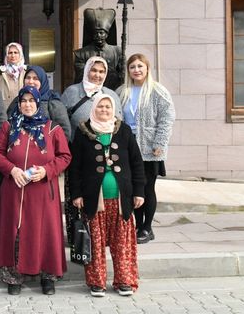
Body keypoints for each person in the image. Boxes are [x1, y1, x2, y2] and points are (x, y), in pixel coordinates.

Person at [0, 86, 71, 295]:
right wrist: (11, 169)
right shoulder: (9, 126)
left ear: (38, 103)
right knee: (14, 232)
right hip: (14, 189)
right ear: (18, 103)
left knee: (45, 232)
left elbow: (64, 156)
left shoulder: (52, 128)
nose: (27, 104)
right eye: (23, 101)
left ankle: (48, 277)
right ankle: (14, 277)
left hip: (43, 191)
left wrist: (46, 170)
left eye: (31, 101)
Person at [69, 94, 145, 297]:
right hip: (95, 200)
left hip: (121, 200)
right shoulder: (83, 132)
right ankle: (97, 283)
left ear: (114, 110)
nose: (104, 110)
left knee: (122, 244)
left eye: (108, 107)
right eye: (100, 107)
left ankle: (124, 281)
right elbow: (75, 168)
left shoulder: (124, 131)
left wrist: (139, 192)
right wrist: (76, 194)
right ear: (94, 109)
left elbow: (137, 164)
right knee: (95, 244)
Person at [61, 56, 122, 261]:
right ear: (86, 70)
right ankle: (75, 232)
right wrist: (69, 143)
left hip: (105, 152)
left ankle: (100, 234)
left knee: (100, 195)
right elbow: (62, 118)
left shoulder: (110, 95)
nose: (97, 75)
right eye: (93, 70)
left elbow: (118, 123)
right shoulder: (72, 92)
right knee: (74, 193)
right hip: (77, 149)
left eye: (101, 71)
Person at [118, 54, 176, 245]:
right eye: (132, 67)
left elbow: (167, 118)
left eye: (140, 66)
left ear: (147, 68)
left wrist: (160, 143)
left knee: (146, 187)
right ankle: (137, 225)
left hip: (150, 147)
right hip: (128, 146)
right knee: (133, 187)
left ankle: (147, 228)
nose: (136, 70)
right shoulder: (122, 91)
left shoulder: (157, 91)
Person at [5, 65, 71, 141]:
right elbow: (7, 125)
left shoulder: (52, 102)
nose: (30, 81)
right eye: (28, 78)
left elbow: (65, 131)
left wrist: (51, 149)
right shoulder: (17, 100)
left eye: (35, 78)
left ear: (42, 81)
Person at [73, 8, 123, 90]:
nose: (98, 36)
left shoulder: (117, 51)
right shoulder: (80, 54)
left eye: (101, 33)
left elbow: (122, 75)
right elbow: (82, 76)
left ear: (106, 35)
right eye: (96, 33)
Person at [0, 42, 27, 123]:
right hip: (3, 115)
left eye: (16, 52)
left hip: (23, 114)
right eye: (10, 53)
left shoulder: (27, 72)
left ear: (21, 54)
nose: (13, 55)